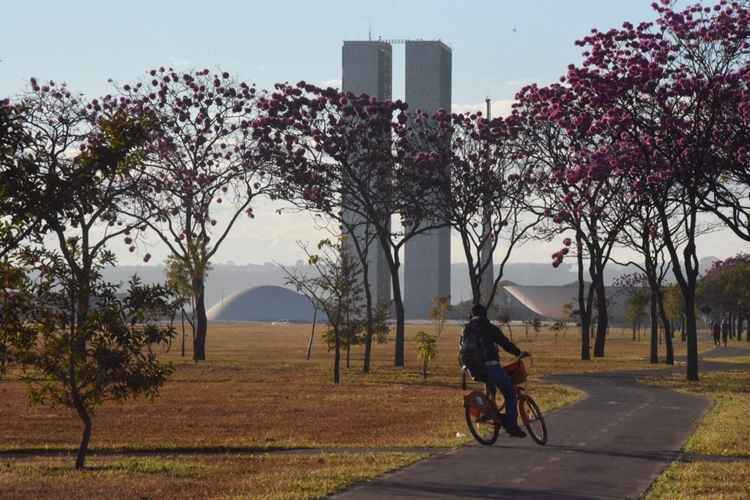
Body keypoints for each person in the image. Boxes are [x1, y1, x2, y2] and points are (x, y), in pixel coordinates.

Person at [468, 303, 529, 438]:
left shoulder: (466, 330)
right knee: (510, 393)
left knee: (490, 389)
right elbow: (505, 343)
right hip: (491, 366)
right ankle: (512, 426)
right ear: (485, 315)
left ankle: (489, 413)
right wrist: (519, 353)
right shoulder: (489, 328)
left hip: (473, 370)